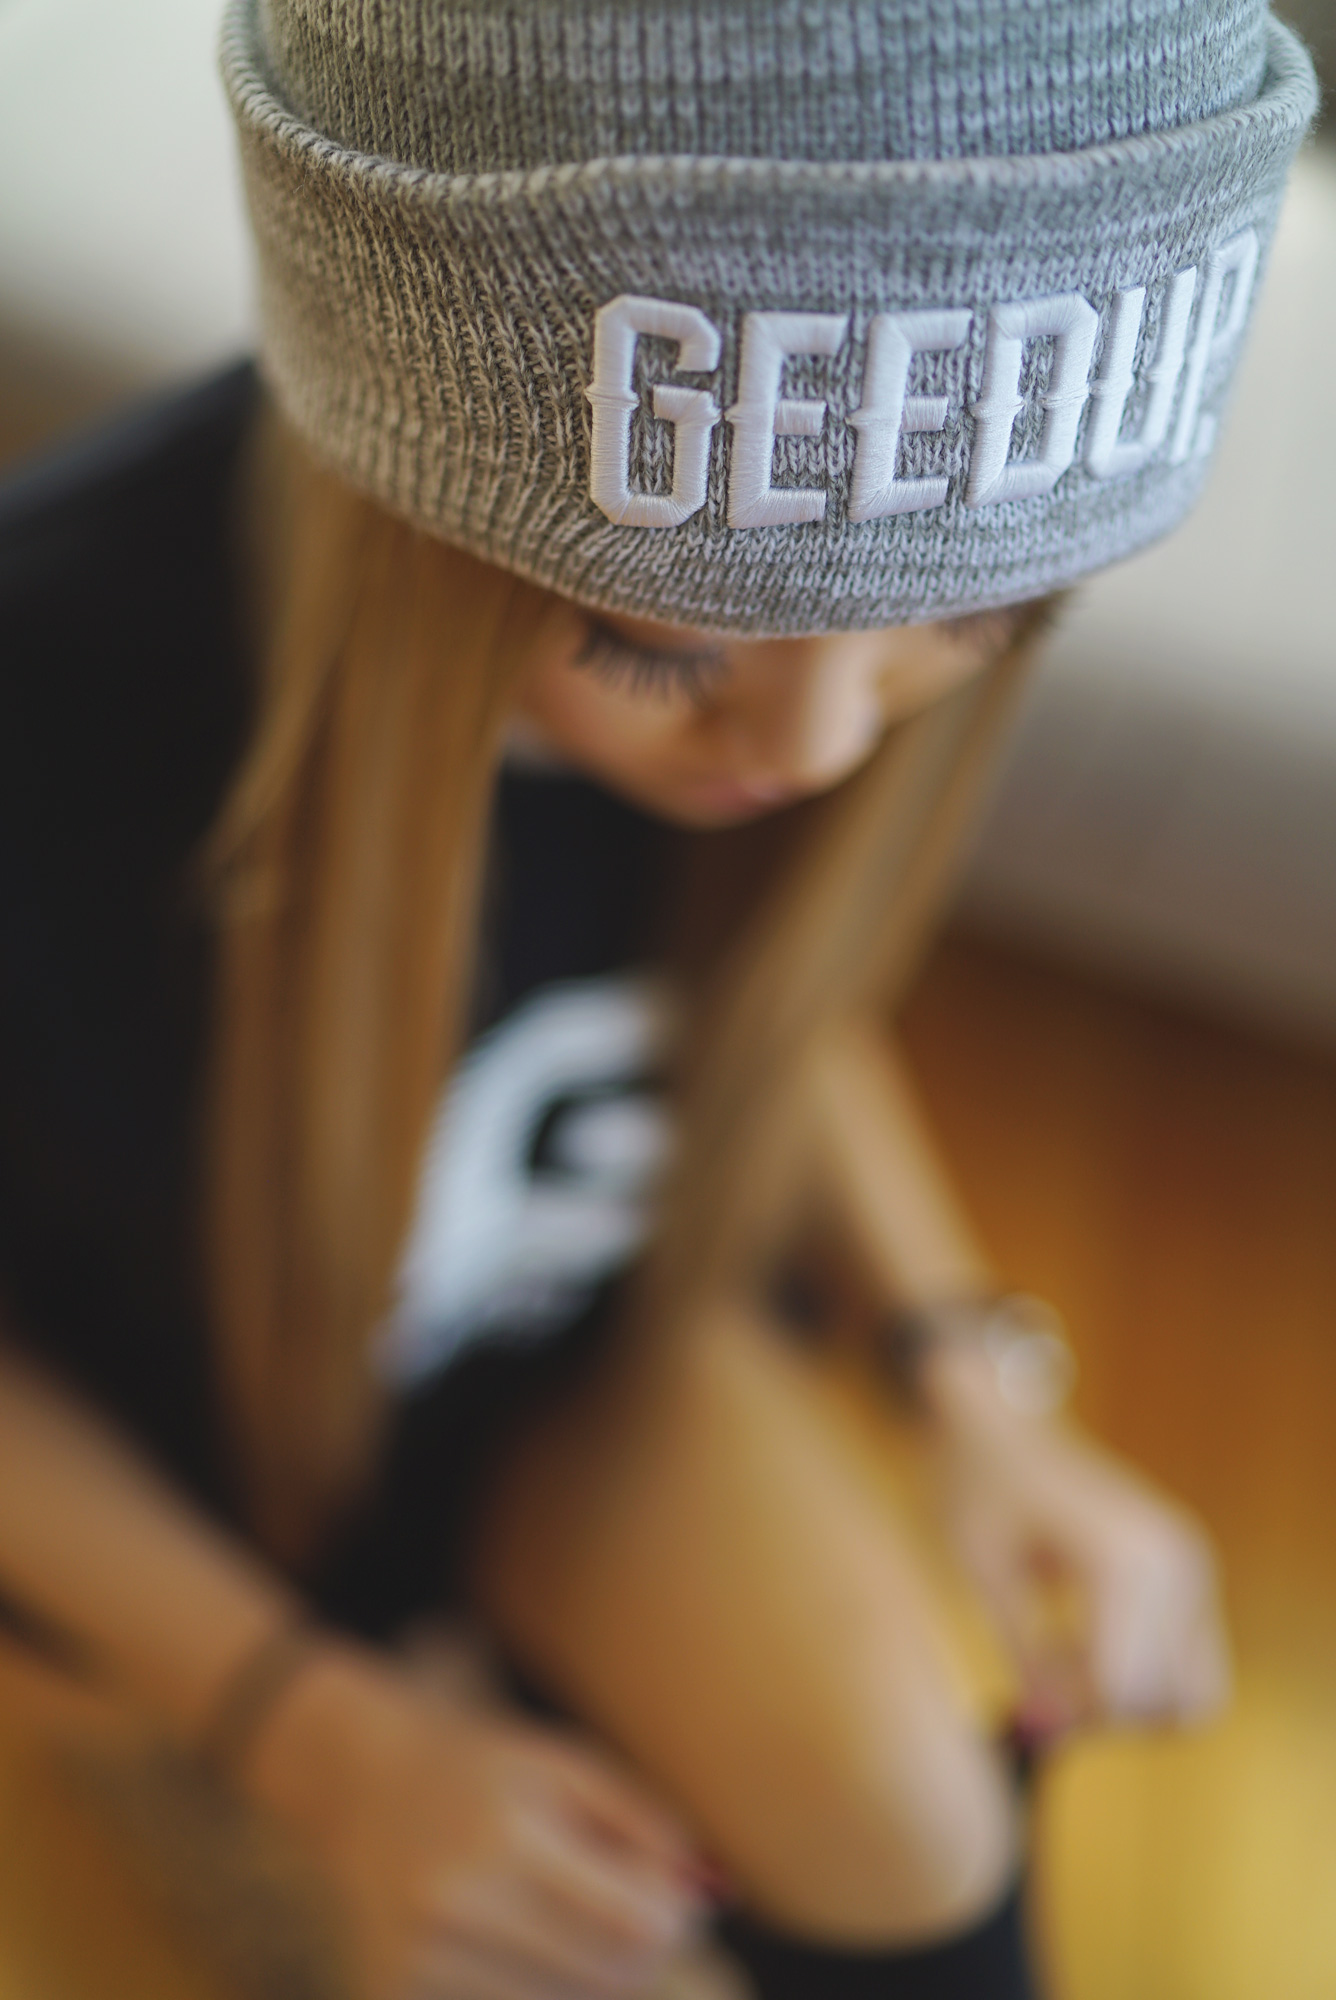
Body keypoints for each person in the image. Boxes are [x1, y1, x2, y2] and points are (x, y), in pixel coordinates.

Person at [0, 4, 1316, 1998]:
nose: (813, 748)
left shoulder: (773, 711)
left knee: (917, 1844)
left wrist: (966, 1383)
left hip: (567, 1357)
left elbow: (742, 1001)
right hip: (167, 1491)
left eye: (974, 618)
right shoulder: (59, 707)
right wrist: (317, 1737)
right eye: (651, 648)